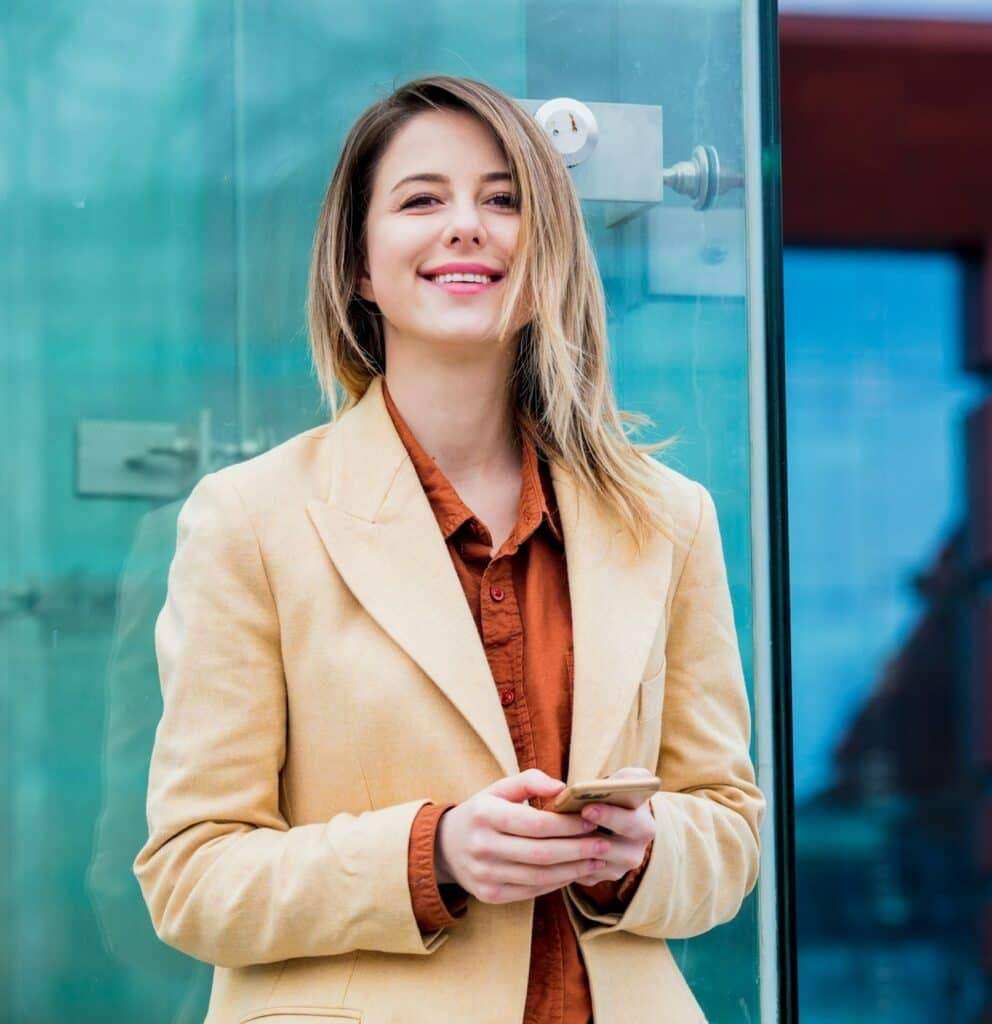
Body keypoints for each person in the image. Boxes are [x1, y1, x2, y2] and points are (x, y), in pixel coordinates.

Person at [134, 74, 764, 1024]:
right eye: (422, 199)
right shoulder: (249, 518)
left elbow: (726, 828)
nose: (467, 226)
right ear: (357, 263)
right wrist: (432, 855)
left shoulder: (668, 517)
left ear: (545, 248)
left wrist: (640, 853)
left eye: (504, 200)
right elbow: (191, 873)